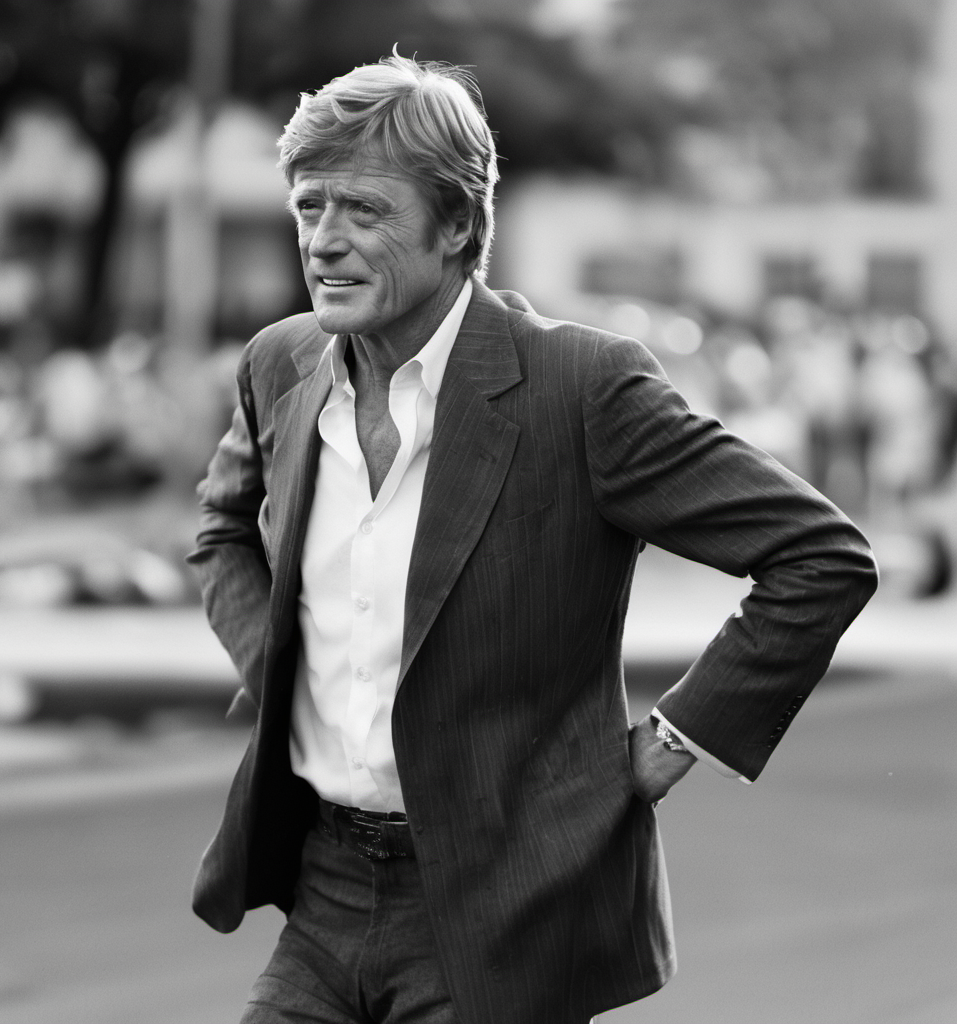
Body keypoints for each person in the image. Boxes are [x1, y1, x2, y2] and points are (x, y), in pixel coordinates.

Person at [188, 54, 878, 1024]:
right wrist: (283, 672)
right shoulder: (280, 363)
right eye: (310, 206)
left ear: (458, 225)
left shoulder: (581, 388)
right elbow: (223, 528)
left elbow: (819, 557)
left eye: (364, 211)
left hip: (502, 908)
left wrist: (674, 739)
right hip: (323, 887)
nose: (324, 241)